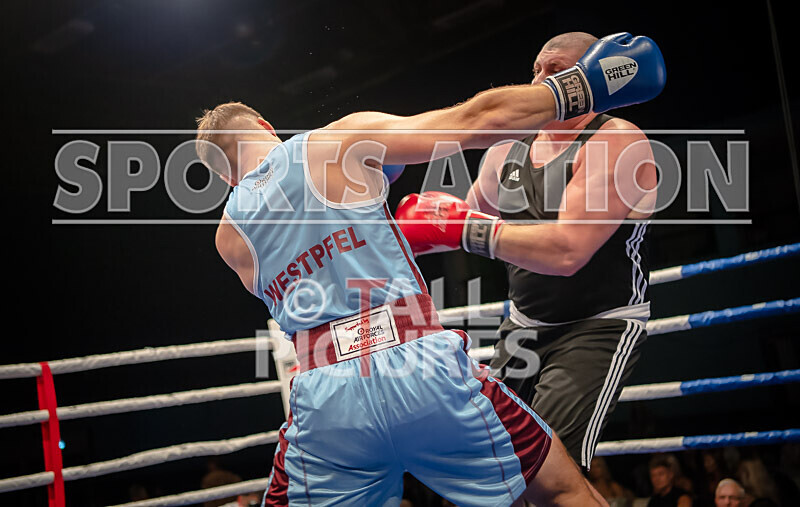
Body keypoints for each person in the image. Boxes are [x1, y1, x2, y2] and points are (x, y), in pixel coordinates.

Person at [199, 33, 664, 506]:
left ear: (224, 176)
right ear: (265, 125)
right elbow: (476, 120)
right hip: (417, 363)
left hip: (326, 397)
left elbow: (314, 250)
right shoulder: (337, 141)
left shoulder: (227, 238)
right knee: (559, 490)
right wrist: (581, 87)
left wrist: (423, 215)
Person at [395, 31, 661, 471]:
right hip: (522, 326)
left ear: (592, 78)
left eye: (554, 70)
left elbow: (566, 252)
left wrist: (462, 228)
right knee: (490, 465)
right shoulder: (506, 152)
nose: (540, 81)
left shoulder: (616, 141)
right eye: (536, 70)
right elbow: (463, 218)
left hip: (595, 328)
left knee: (552, 474)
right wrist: (397, 236)